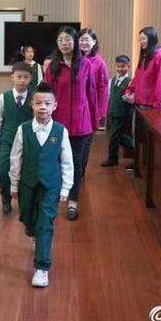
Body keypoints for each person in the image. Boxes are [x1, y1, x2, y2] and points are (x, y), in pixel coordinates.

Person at [9, 83, 74, 288]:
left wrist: (66, 187)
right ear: (32, 105)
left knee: (45, 222)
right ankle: (33, 232)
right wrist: (14, 184)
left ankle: (42, 267)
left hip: (51, 185)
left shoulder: (60, 131)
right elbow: (15, 158)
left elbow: (67, 161)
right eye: (38, 103)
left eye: (47, 103)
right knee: (28, 218)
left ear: (55, 105)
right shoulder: (23, 129)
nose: (42, 107)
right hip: (27, 184)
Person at [45, 26, 95, 221]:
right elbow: (47, 96)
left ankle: (73, 202)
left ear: (75, 41)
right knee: (56, 161)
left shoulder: (86, 64)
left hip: (81, 123)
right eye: (60, 40)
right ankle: (57, 196)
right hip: (58, 122)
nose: (64, 43)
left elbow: (91, 92)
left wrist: (94, 119)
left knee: (75, 163)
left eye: (67, 39)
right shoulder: (53, 67)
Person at [123, 27, 161, 169]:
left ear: (152, 38)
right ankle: (138, 163)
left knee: (147, 138)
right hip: (139, 102)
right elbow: (138, 77)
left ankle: (146, 166)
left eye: (143, 38)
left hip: (150, 105)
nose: (141, 41)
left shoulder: (159, 55)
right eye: (140, 39)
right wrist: (129, 90)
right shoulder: (145, 56)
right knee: (137, 134)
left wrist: (156, 104)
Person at [0, 62, 34, 215]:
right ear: (12, 77)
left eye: (26, 77)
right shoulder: (5, 97)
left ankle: (24, 199)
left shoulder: (34, 97)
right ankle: (6, 198)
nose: (22, 80)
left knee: (27, 171)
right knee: (2, 170)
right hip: (8, 139)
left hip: (28, 140)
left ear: (30, 79)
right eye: (19, 77)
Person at [79, 28, 110, 181]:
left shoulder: (99, 62)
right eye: (81, 39)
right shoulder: (74, 59)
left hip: (91, 108)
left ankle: (80, 171)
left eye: (87, 40)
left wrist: (101, 111)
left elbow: (103, 88)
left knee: (86, 141)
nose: (84, 43)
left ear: (94, 42)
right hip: (76, 106)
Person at [100, 55, 132, 167]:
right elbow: (109, 96)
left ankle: (112, 158)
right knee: (118, 136)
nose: (120, 69)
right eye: (118, 66)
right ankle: (135, 150)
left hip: (123, 113)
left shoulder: (130, 82)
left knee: (114, 136)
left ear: (128, 66)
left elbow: (131, 98)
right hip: (113, 112)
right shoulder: (112, 80)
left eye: (123, 66)